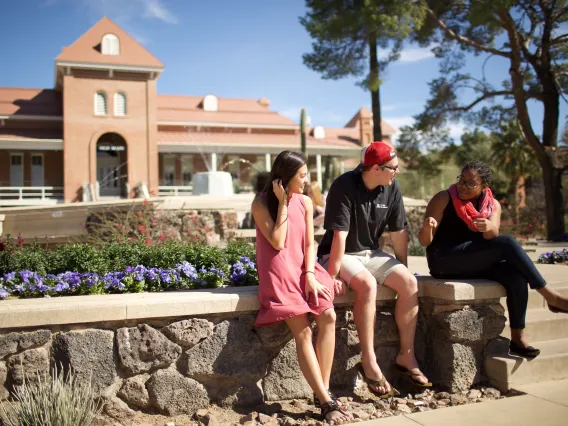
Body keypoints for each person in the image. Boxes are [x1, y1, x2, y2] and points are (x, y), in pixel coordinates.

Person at [420, 160, 568, 357]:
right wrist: (427, 228)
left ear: (484, 186)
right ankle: (551, 296)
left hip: (472, 261)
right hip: (444, 260)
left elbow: (491, 235)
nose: (463, 186)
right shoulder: (443, 198)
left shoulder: (492, 205)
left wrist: (489, 228)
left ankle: (517, 338)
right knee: (507, 243)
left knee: (516, 275)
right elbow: (424, 241)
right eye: (461, 180)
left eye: (470, 183)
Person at [318, 141, 431, 398]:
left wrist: (401, 266)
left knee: (410, 283)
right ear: (376, 168)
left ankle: (406, 356)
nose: (397, 172)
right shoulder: (344, 185)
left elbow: (398, 231)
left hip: (371, 253)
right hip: (340, 254)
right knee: (367, 284)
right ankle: (369, 360)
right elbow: (339, 236)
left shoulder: (391, 188)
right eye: (393, 167)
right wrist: (333, 275)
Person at [252, 151, 352, 423]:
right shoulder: (260, 204)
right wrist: (283, 203)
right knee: (304, 332)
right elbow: (277, 241)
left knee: (328, 315)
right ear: (284, 179)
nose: (307, 181)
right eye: (302, 176)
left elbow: (310, 243)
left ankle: (323, 392)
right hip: (279, 272)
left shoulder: (307, 202)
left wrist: (309, 274)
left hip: (303, 268)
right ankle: (326, 400)